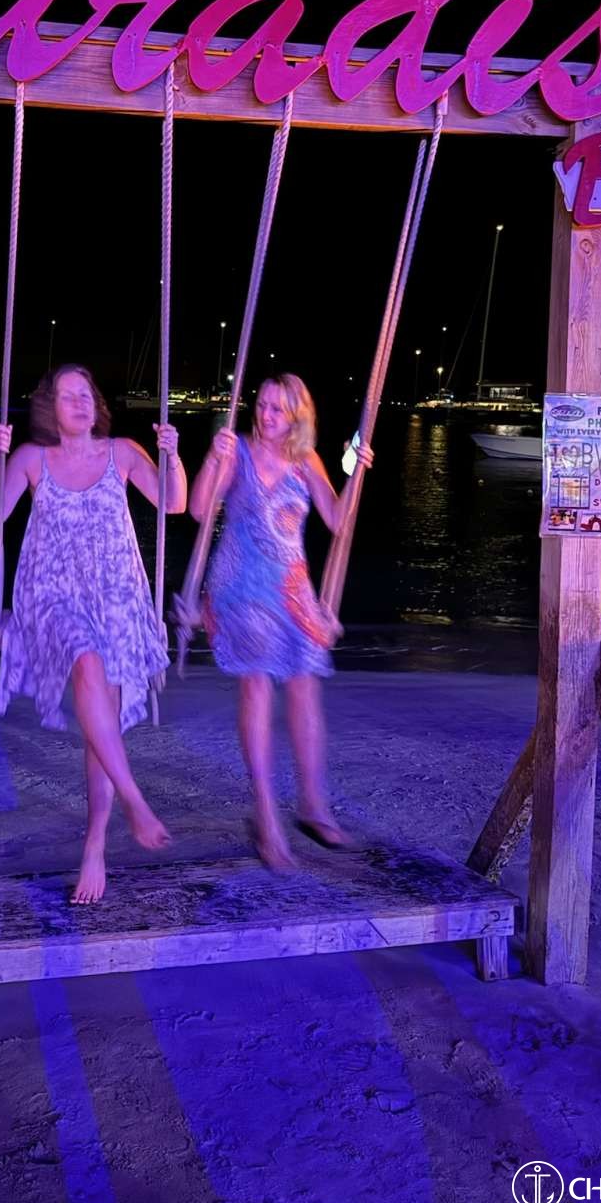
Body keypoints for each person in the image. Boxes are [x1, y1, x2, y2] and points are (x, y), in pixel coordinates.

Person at [0, 364, 187, 902]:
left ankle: (95, 845)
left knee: (102, 723)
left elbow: (174, 502)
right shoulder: (32, 458)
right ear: (50, 407)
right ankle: (135, 801)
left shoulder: (122, 452)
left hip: (115, 596)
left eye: (87, 393)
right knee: (87, 661)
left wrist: (173, 455)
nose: (80, 402)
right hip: (52, 596)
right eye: (69, 395)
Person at [188, 373, 372, 871]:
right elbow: (199, 510)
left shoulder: (306, 459)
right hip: (240, 586)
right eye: (263, 405)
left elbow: (337, 520)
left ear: (296, 415)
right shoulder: (238, 453)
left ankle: (313, 806)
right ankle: (266, 815)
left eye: (277, 409)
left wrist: (356, 472)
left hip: (292, 588)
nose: (266, 415)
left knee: (305, 685)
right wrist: (211, 459)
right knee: (257, 686)